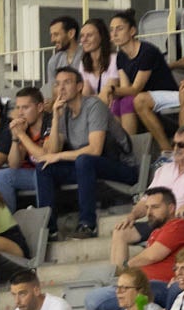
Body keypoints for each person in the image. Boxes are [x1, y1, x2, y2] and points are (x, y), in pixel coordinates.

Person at [35, 66, 138, 238]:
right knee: (44, 167)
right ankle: (50, 230)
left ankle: (87, 224)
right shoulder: (63, 112)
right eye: (57, 84)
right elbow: (51, 152)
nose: (61, 88)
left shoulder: (94, 105)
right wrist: (55, 117)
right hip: (87, 168)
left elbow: (95, 150)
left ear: (79, 86)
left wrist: (58, 156)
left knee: (84, 159)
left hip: (121, 166)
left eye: (67, 83)